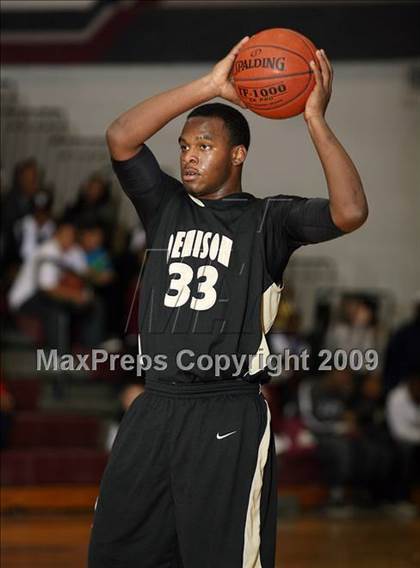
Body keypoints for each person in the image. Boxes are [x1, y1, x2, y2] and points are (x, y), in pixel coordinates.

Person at [88, 38, 368, 567]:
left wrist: (314, 119)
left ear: (237, 154)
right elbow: (121, 137)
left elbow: (350, 210)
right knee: (119, 553)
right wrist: (210, 86)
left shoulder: (270, 221)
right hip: (156, 405)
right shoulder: (165, 205)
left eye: (205, 146)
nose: (189, 157)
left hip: (227, 409)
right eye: (185, 146)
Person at [8, 220, 104, 353]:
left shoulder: (73, 251)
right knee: (58, 312)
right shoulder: (47, 252)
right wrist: (75, 295)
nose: (69, 238)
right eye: (66, 234)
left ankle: (91, 350)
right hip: (26, 298)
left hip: (51, 294)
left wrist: (86, 291)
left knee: (94, 303)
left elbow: (83, 275)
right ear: (56, 235)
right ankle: (60, 359)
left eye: (72, 235)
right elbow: (48, 289)